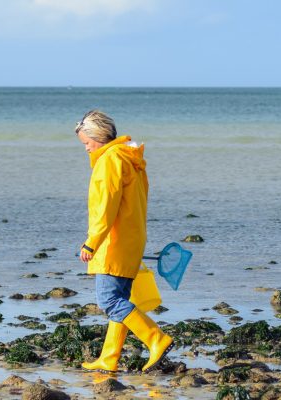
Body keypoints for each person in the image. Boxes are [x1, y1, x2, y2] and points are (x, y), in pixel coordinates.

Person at [75, 110, 174, 373]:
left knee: (109, 301)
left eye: (87, 143)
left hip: (113, 242)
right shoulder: (130, 158)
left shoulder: (109, 160)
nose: (86, 149)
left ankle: (157, 339)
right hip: (132, 238)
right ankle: (109, 357)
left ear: (98, 137)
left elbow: (105, 207)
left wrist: (91, 242)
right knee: (119, 299)